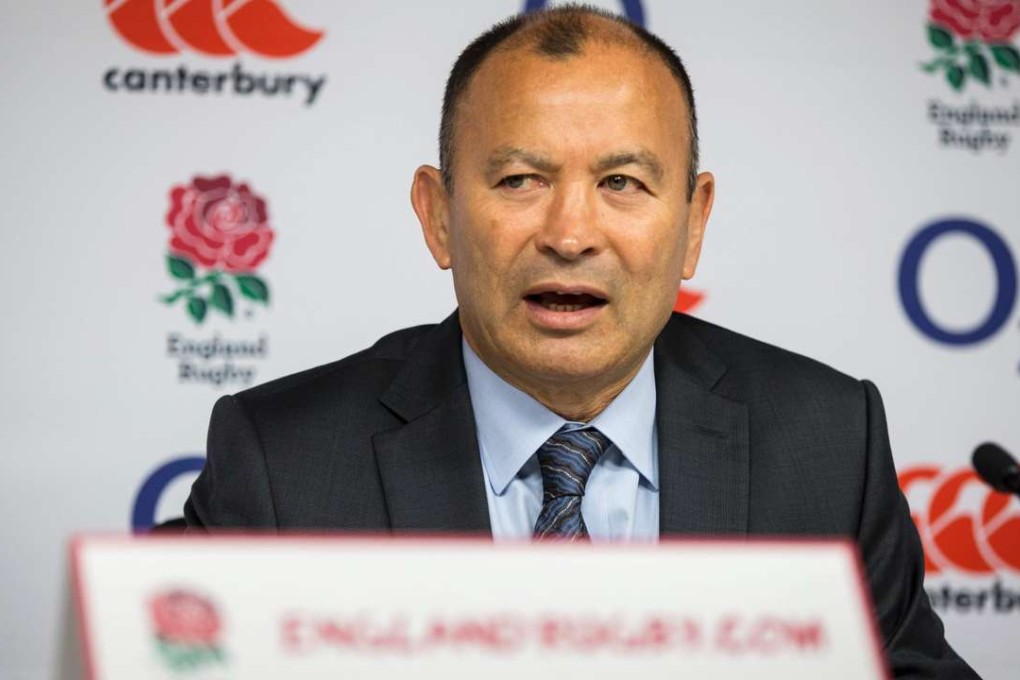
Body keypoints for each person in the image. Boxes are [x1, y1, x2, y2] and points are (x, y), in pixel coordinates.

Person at [185, 6, 977, 677]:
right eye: (520, 179)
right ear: (437, 214)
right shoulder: (283, 461)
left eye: (622, 183)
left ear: (694, 223)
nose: (570, 234)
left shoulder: (829, 444)